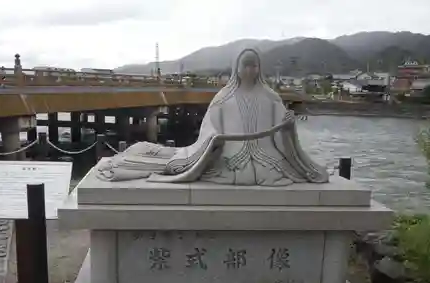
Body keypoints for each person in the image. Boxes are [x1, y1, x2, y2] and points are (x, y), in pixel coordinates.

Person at [96, 48, 328, 186]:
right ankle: (137, 157)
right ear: (237, 67)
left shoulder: (272, 98)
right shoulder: (223, 98)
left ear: (260, 68)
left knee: (269, 173)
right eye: (245, 65)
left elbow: (282, 135)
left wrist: (288, 128)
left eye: (254, 66)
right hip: (229, 156)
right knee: (178, 161)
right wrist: (214, 140)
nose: (250, 70)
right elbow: (210, 128)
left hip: (267, 159)